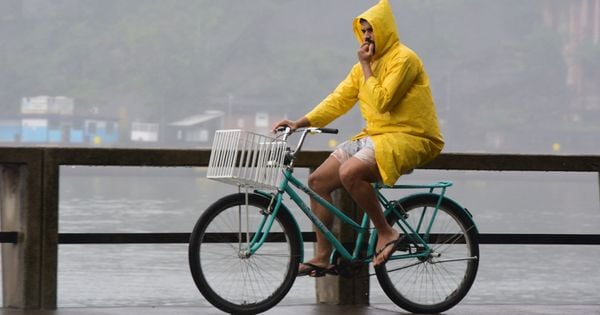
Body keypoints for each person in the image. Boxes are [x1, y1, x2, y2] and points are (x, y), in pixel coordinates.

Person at [272, 0, 444, 276]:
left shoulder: (404, 59)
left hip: (411, 137)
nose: (366, 36)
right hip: (376, 136)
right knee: (317, 181)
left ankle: (386, 232)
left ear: (385, 30)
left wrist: (366, 66)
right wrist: (298, 123)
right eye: (363, 31)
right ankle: (323, 255)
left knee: (350, 172)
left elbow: (382, 102)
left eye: (371, 30)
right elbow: (337, 101)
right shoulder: (361, 69)